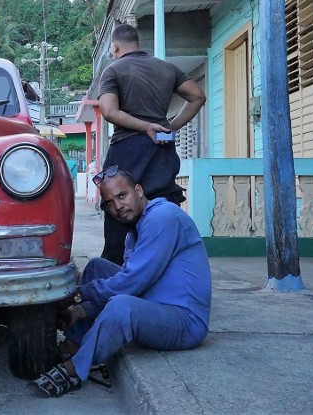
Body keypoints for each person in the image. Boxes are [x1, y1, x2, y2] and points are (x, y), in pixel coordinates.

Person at [31, 166, 211, 398]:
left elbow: (131, 284)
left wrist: (77, 296)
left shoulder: (163, 217)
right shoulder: (134, 232)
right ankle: (75, 343)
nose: (117, 207)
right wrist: (80, 311)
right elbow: (126, 283)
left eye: (122, 196)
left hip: (184, 321)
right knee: (97, 267)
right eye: (109, 202)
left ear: (138, 190)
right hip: (154, 305)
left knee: (121, 306)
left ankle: (75, 370)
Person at [96, 23, 207, 265]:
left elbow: (109, 110)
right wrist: (169, 126)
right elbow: (198, 96)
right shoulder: (167, 68)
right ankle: (162, 273)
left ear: (115, 47)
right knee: (161, 213)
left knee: (118, 211)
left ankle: (116, 275)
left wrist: (145, 127)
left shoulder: (114, 70)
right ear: (138, 44)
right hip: (161, 151)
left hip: (126, 153)